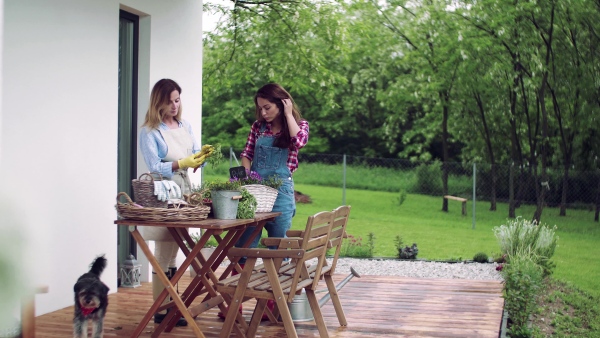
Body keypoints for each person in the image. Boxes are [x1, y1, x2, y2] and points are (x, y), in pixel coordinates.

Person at [218, 82, 309, 319]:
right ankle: (234, 302)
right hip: (255, 194)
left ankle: (271, 305)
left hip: (282, 196)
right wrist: (245, 177)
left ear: (282, 104)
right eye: (260, 108)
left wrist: (289, 114)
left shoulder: (299, 126)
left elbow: (298, 142)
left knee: (280, 252)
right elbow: (247, 154)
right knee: (244, 248)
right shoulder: (258, 127)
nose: (263, 113)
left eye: (267, 107)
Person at [139, 78, 205, 326]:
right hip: (164, 192)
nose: (175, 105)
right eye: (170, 102)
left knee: (175, 247)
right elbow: (154, 166)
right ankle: (161, 308)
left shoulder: (184, 125)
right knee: (164, 248)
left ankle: (170, 306)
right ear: (159, 103)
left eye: (177, 100)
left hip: (184, 191)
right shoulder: (149, 132)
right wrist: (180, 163)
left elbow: (194, 153)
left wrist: (201, 158)